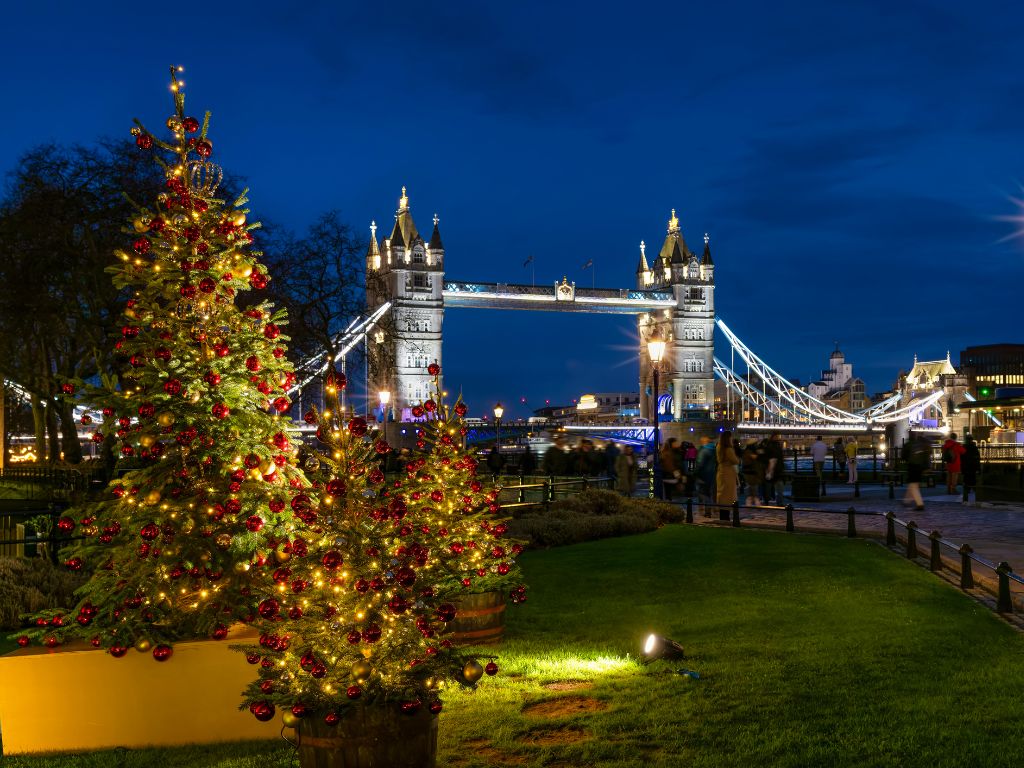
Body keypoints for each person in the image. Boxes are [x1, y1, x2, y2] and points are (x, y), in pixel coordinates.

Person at [902, 432, 930, 510]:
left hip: (912, 465)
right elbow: (926, 456)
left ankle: (919, 504)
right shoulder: (920, 445)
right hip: (920, 466)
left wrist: (907, 461)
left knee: (913, 484)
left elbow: (903, 456)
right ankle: (906, 501)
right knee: (914, 484)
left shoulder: (908, 445)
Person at [715, 431, 740, 508]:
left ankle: (722, 511)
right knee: (728, 494)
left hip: (721, 471)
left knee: (721, 492)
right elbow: (735, 461)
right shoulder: (728, 449)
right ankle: (726, 512)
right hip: (728, 472)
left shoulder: (719, 447)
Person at [694, 434, 717, 516]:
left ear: (705, 441)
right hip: (712, 474)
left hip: (703, 474)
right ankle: (710, 509)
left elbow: (700, 463)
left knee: (702, 493)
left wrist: (695, 472)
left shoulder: (704, 450)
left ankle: (707, 511)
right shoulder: (714, 449)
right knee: (709, 492)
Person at [741, 441, 765, 507]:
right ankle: (755, 500)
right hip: (751, 472)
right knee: (753, 486)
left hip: (748, 472)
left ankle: (750, 500)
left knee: (750, 486)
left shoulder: (746, 452)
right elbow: (756, 458)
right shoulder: (749, 452)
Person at [763, 432, 786, 504]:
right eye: (777, 436)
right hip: (776, 468)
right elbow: (778, 457)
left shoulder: (769, 445)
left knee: (769, 485)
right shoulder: (776, 445)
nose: (778, 437)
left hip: (772, 468)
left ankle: (767, 500)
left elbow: (767, 457)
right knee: (779, 486)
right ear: (774, 437)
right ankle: (779, 502)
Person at [960, 434, 981, 504]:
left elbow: (961, 458)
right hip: (973, 468)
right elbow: (977, 459)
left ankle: (965, 499)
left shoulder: (963, 447)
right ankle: (977, 498)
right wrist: (979, 469)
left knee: (966, 483)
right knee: (974, 483)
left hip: (966, 468)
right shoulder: (974, 448)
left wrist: (962, 468)